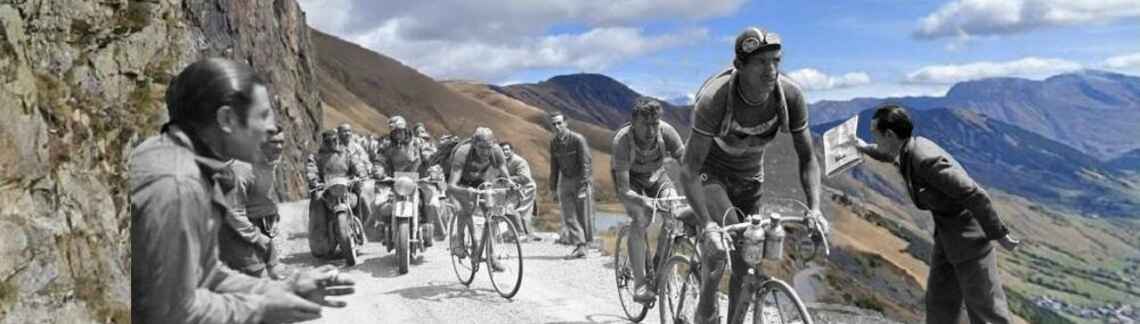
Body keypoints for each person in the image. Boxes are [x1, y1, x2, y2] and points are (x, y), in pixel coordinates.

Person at [130, 58, 353, 323]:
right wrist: (262, 309)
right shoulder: (178, 185)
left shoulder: (183, 161)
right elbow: (171, 311)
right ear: (227, 119)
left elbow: (206, 274)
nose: (271, 128)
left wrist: (283, 288)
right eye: (263, 115)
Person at [681, 27, 829, 324]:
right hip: (712, 174)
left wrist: (815, 209)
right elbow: (689, 169)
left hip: (751, 178)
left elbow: (808, 158)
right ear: (739, 65)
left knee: (747, 263)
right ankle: (705, 309)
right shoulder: (714, 99)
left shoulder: (789, 95)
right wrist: (709, 225)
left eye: (776, 60)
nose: (771, 69)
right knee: (725, 247)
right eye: (761, 62)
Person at [855, 104, 1019, 324]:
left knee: (986, 311)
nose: (874, 138)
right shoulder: (908, 148)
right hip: (947, 237)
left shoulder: (924, 160)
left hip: (970, 240)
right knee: (940, 303)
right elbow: (887, 154)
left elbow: (974, 193)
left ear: (890, 135)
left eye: (875, 134)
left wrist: (999, 234)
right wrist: (863, 147)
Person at [611, 97, 687, 302]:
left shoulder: (667, 132)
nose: (651, 130)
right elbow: (624, 189)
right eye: (646, 125)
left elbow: (688, 166)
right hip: (630, 182)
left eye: (655, 124)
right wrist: (643, 202)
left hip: (656, 176)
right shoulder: (622, 141)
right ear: (633, 122)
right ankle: (640, 284)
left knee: (673, 211)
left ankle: (660, 265)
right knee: (641, 217)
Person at [219, 125, 290, 279]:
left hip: (262, 229)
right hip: (238, 233)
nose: (279, 147)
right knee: (260, 280)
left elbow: (265, 195)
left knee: (276, 275)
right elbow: (232, 212)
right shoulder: (242, 169)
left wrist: (273, 216)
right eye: (273, 142)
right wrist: (257, 237)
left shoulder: (269, 163)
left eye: (281, 142)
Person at [446, 127, 514, 271]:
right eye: (481, 148)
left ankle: (491, 256)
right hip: (460, 181)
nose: (485, 152)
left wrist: (511, 184)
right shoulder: (463, 153)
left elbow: (503, 170)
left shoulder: (496, 150)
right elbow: (451, 185)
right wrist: (465, 191)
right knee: (465, 208)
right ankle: (459, 242)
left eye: (488, 147)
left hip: (479, 179)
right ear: (474, 144)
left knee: (490, 213)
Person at [372, 116, 440, 245]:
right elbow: (379, 160)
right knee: (379, 202)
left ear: (405, 130)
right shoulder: (387, 145)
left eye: (400, 131)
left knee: (432, 202)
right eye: (394, 132)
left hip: (418, 181)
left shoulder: (417, 143)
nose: (397, 134)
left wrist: (432, 168)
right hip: (394, 181)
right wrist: (378, 170)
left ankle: (432, 229)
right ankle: (382, 228)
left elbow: (430, 156)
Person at [305, 128, 369, 258]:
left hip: (347, 187)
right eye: (328, 141)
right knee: (317, 200)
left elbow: (357, 164)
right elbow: (311, 170)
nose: (332, 143)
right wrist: (314, 181)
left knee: (362, 197)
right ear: (324, 141)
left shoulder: (347, 153)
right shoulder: (316, 157)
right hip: (326, 190)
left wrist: (361, 174)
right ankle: (320, 242)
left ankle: (362, 231)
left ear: (338, 140)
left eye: (334, 140)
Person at [547, 111, 596, 259]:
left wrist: (584, 185)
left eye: (559, 123)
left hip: (580, 179)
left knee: (584, 215)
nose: (557, 126)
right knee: (568, 215)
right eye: (554, 124)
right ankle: (580, 244)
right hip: (565, 181)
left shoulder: (577, 139)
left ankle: (585, 246)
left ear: (565, 123)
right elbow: (554, 167)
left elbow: (586, 163)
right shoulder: (554, 143)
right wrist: (553, 188)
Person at [499, 142, 539, 242]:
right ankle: (515, 233)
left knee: (518, 210)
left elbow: (525, 177)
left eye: (507, 150)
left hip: (526, 188)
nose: (505, 152)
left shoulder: (519, 161)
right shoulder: (502, 162)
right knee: (507, 209)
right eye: (502, 150)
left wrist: (507, 179)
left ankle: (522, 234)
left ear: (512, 151)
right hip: (513, 189)